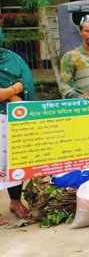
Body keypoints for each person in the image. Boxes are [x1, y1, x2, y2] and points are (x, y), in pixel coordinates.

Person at [0, 28, 32, 223]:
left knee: (14, 159)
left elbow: (27, 81)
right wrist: (13, 90)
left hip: (12, 118)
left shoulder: (13, 58)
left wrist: (12, 91)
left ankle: (15, 201)